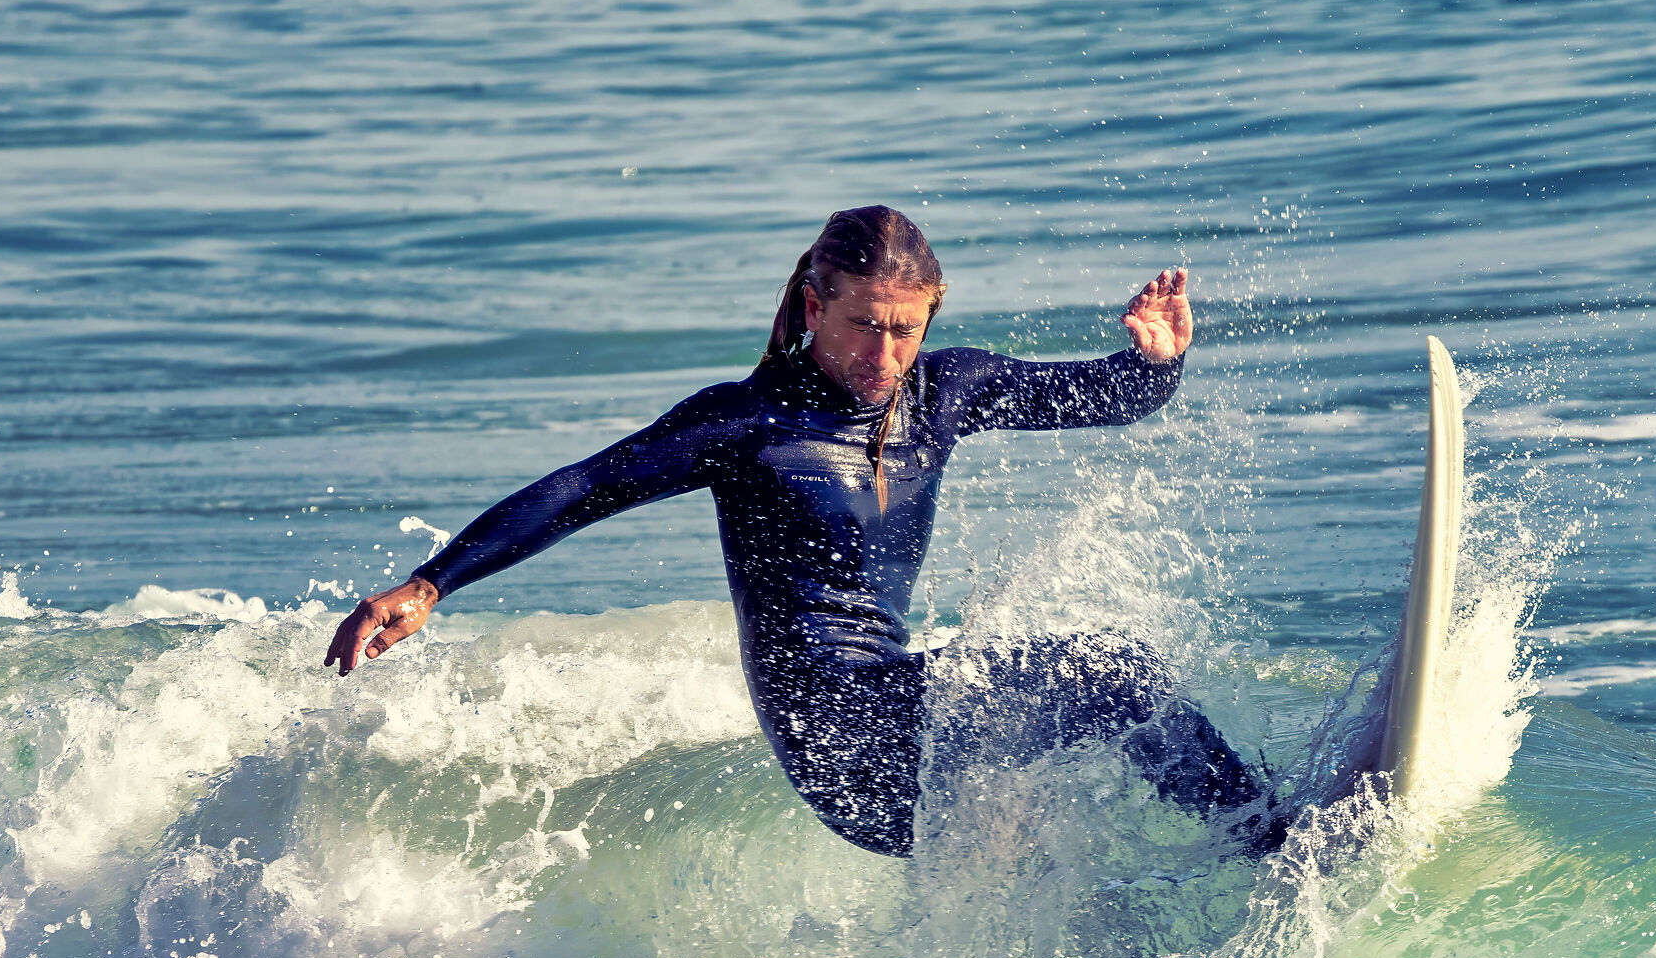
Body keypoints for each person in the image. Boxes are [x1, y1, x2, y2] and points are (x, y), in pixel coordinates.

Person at [324, 206, 1278, 858]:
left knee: (1092, 744)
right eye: (865, 326)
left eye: (907, 330)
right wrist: (432, 582)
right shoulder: (747, 425)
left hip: (908, 731)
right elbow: (579, 489)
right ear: (816, 307)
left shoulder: (945, 392)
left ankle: (1223, 883)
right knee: (1108, 672)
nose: (887, 354)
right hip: (840, 744)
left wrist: (1155, 363)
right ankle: (1273, 838)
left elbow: (1099, 397)